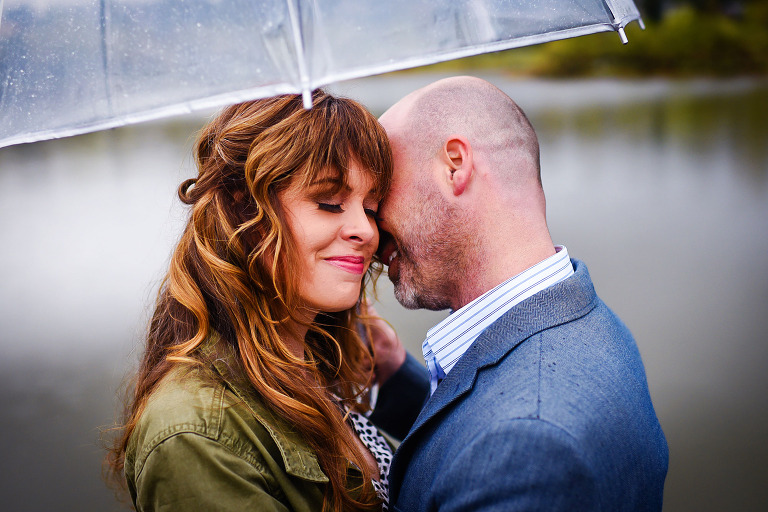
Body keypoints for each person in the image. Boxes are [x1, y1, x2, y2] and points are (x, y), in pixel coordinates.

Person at [106, 91, 428, 512]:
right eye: (329, 202)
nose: (365, 231)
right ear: (244, 212)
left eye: (370, 207)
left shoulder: (315, 365)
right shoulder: (195, 434)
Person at [375, 76, 669, 511]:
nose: (370, 226)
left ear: (455, 165)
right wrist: (392, 376)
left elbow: (509, 435)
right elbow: (492, 415)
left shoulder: (530, 448)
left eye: (381, 189)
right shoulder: (584, 317)